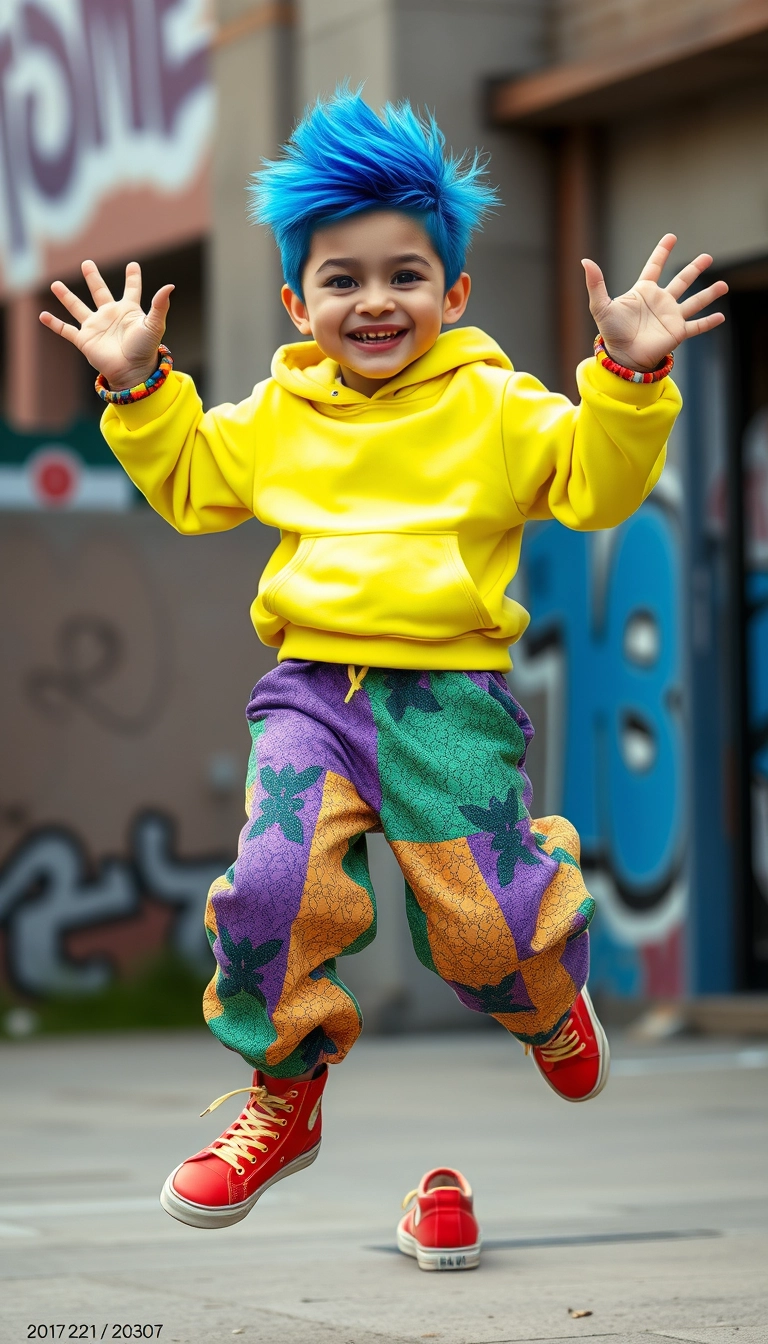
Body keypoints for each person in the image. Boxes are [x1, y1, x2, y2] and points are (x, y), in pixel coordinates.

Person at [40, 90, 727, 1265]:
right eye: (342, 280)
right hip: (311, 693)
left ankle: (545, 988)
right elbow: (194, 485)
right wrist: (139, 390)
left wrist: (625, 375)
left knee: (486, 938)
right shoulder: (277, 414)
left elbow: (595, 486)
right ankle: (285, 1092)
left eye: (405, 276)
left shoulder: (496, 406)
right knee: (270, 886)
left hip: (445, 703)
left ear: (452, 294)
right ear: (300, 302)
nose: (375, 302)